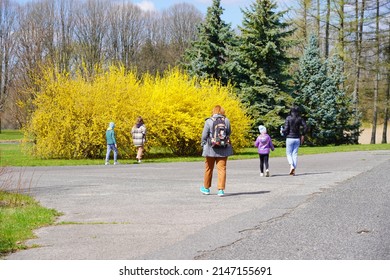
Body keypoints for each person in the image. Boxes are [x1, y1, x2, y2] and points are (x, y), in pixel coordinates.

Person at [200, 105, 233, 196]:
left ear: (213, 111)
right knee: (222, 169)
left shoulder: (209, 121)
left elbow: (204, 135)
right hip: (223, 148)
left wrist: (203, 143)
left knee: (208, 168)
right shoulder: (226, 121)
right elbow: (229, 132)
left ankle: (206, 189)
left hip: (210, 148)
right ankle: (220, 190)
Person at [281, 105, 308, 175]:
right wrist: (303, 134)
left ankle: (291, 165)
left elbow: (286, 129)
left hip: (289, 138)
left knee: (288, 153)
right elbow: (305, 126)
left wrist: (282, 131)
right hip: (297, 138)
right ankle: (293, 170)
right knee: (295, 154)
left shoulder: (288, 118)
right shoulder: (300, 118)